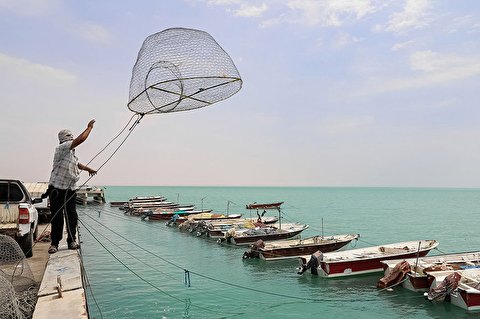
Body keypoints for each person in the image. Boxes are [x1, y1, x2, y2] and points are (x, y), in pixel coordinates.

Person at [47, 120, 97, 254]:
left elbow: (77, 164)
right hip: (57, 189)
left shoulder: (70, 154)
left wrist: (88, 169)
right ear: (66, 139)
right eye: (71, 139)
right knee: (57, 217)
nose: (73, 140)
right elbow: (81, 139)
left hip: (70, 190)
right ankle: (54, 243)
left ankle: (71, 241)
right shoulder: (62, 148)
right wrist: (89, 128)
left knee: (72, 216)